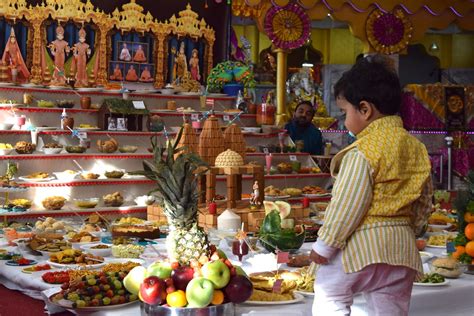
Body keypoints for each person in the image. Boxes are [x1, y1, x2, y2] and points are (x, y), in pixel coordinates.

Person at [310, 55, 433, 316]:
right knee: (390, 307)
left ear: (365, 109)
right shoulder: (417, 148)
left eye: (345, 112)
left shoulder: (363, 151)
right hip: (403, 251)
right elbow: (424, 200)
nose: (344, 121)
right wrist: (412, 231)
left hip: (363, 248)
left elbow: (347, 206)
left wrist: (324, 247)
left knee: (329, 292)